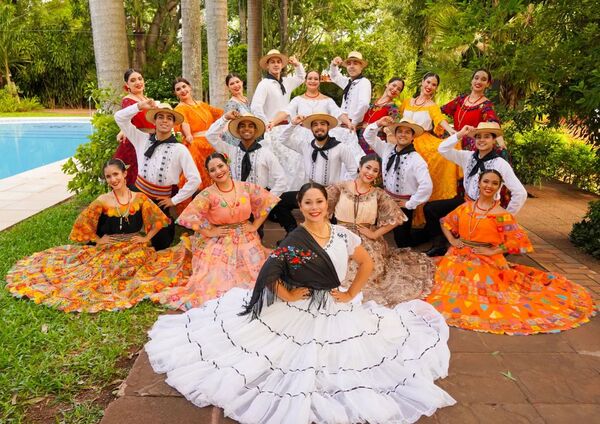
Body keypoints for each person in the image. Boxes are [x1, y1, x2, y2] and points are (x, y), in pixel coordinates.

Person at [145, 182, 455, 424]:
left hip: (337, 305)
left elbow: (367, 265)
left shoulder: (342, 235)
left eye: (320, 201)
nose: (315, 207)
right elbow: (269, 274)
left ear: (327, 204)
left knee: (357, 359)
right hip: (298, 307)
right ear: (301, 206)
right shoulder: (295, 239)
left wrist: (349, 294)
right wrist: (289, 294)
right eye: (308, 202)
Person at [5, 159, 189, 313]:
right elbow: (82, 223)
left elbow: (159, 219)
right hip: (110, 247)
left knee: (138, 266)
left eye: (116, 174)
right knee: (104, 271)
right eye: (109, 176)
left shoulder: (139, 198)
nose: (113, 179)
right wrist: (99, 239)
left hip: (135, 245)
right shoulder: (103, 200)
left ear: (124, 174)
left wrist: (146, 238)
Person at [426, 170, 595, 335]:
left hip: (486, 260)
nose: (489, 186)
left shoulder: (501, 215)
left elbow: (519, 241)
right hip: (457, 256)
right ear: (478, 184)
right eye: (485, 181)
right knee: (438, 289)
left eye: (494, 183)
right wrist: (453, 241)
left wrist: (493, 251)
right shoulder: (465, 208)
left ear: (499, 187)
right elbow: (445, 222)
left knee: (487, 294)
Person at [149, 153, 280, 311]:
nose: (218, 171)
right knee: (215, 281)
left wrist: (255, 225)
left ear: (227, 166)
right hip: (220, 240)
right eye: (212, 170)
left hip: (247, 238)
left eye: (220, 166)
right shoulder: (207, 194)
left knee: (257, 276)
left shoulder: (245, 187)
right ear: (209, 174)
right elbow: (189, 217)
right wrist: (210, 231)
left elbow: (267, 201)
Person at [327, 155, 435, 307]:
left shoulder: (378, 194)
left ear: (378, 175)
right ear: (360, 167)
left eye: (375, 171)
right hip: (339, 236)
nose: (370, 173)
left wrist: (374, 234)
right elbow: (320, 208)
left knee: (369, 272)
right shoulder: (340, 187)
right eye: (368, 168)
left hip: (366, 241)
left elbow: (397, 217)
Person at [424, 122, 527, 257]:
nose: (481, 140)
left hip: (488, 208)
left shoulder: (501, 164)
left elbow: (520, 193)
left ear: (493, 140)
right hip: (467, 202)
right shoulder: (467, 156)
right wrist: (460, 134)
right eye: (478, 137)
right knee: (431, 208)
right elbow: (442, 149)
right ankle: (439, 245)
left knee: (490, 249)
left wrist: (506, 215)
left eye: (486, 137)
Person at [115, 98, 201, 250]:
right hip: (137, 195)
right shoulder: (141, 138)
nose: (164, 121)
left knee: (161, 244)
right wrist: (139, 106)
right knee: (119, 234)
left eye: (169, 118)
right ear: (154, 121)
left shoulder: (179, 149)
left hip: (159, 201)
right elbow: (119, 117)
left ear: (174, 124)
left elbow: (195, 179)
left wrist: (174, 200)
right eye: (160, 117)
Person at [205, 111, 294, 234]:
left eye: (250, 126)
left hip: (257, 202)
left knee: (255, 234)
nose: (246, 129)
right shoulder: (231, 150)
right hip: (235, 200)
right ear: (238, 130)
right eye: (242, 126)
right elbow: (210, 135)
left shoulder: (266, 154)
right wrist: (225, 118)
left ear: (256, 131)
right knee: (234, 234)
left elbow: (281, 179)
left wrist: (267, 200)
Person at [273, 112, 359, 232]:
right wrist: (292, 124)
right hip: (310, 190)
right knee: (280, 201)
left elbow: (354, 171)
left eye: (323, 124)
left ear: (328, 127)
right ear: (311, 129)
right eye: (315, 125)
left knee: (333, 225)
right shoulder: (306, 146)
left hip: (331, 194)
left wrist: (345, 191)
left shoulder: (340, 148)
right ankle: (292, 231)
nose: (319, 127)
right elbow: (283, 139)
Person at [363, 117, 433, 248]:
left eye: (407, 132)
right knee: (380, 229)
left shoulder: (417, 160)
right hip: (385, 199)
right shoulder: (387, 149)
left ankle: (428, 234)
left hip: (402, 205)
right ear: (395, 135)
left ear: (413, 137)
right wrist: (378, 123)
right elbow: (368, 136)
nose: (403, 134)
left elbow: (426, 186)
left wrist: (410, 203)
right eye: (400, 131)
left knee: (402, 241)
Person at [400, 72, 458, 226]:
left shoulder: (432, 106)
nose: (430, 86)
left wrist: (451, 132)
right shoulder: (406, 102)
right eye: (428, 82)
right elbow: (398, 119)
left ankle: (418, 217)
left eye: (434, 85)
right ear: (422, 82)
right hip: (404, 139)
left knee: (421, 177)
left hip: (423, 142)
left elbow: (439, 119)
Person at [251, 49, 306, 191]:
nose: (275, 65)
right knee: (279, 165)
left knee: (294, 163)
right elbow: (256, 107)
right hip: (273, 129)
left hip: (288, 128)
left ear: (282, 65)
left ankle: (293, 196)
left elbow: (301, 77)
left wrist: (297, 64)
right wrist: (266, 124)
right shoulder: (264, 84)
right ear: (267, 66)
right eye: (272, 62)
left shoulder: (287, 82)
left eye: (278, 62)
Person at [173, 77, 224, 190]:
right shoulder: (179, 109)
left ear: (189, 87)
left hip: (213, 142)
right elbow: (184, 122)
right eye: (178, 89)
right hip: (197, 143)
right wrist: (188, 135)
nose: (182, 90)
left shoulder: (202, 104)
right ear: (175, 93)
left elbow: (219, 114)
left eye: (184, 86)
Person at [441, 69, 506, 155]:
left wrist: (501, 143)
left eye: (483, 79)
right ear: (472, 81)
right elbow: (438, 113)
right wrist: (449, 129)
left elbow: (493, 124)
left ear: (488, 84)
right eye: (476, 78)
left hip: (471, 147)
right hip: (454, 140)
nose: (478, 81)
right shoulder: (460, 100)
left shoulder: (486, 105)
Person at [113, 69, 155, 186]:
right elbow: (127, 116)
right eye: (133, 80)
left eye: (140, 79)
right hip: (137, 141)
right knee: (137, 179)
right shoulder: (128, 100)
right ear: (127, 85)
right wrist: (123, 130)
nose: (138, 82)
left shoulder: (147, 99)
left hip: (153, 140)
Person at [356, 77, 403, 154]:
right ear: (387, 84)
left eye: (398, 89)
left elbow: (390, 129)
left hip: (373, 145)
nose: (395, 90)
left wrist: (369, 126)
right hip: (358, 141)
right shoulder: (371, 101)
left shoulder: (393, 109)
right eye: (394, 85)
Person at [329, 51, 372, 132]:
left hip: (353, 126)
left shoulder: (364, 82)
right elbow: (334, 76)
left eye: (355, 63)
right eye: (349, 64)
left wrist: (354, 122)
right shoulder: (348, 82)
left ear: (361, 67)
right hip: (342, 124)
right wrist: (334, 65)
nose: (351, 66)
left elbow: (364, 104)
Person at [222, 73, 253, 145]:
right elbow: (229, 127)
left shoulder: (246, 100)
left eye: (237, 82)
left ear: (242, 82)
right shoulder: (231, 104)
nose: (236, 85)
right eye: (232, 84)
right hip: (239, 141)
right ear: (228, 87)